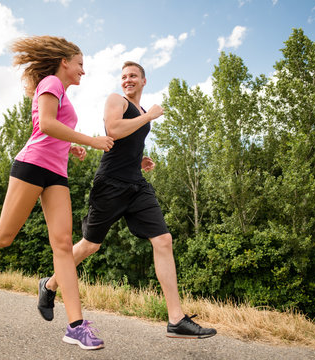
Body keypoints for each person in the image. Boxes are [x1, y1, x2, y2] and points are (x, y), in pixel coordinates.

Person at [0, 35, 114, 350]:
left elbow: (51, 127)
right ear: (65, 62)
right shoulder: (51, 82)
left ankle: (76, 326)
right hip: (31, 166)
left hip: (57, 173)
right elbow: (45, 124)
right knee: (4, 236)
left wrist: (70, 145)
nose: (83, 72)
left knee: (62, 245)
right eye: (80, 64)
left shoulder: (62, 93)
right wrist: (89, 139)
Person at [37, 61, 217, 339]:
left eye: (133, 76)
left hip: (136, 185)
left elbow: (128, 141)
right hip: (110, 184)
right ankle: (49, 285)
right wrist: (150, 117)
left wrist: (139, 158)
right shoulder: (116, 100)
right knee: (89, 246)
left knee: (163, 240)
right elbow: (114, 130)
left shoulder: (141, 110)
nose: (127, 80)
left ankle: (176, 319)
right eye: (124, 76)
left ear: (144, 81)